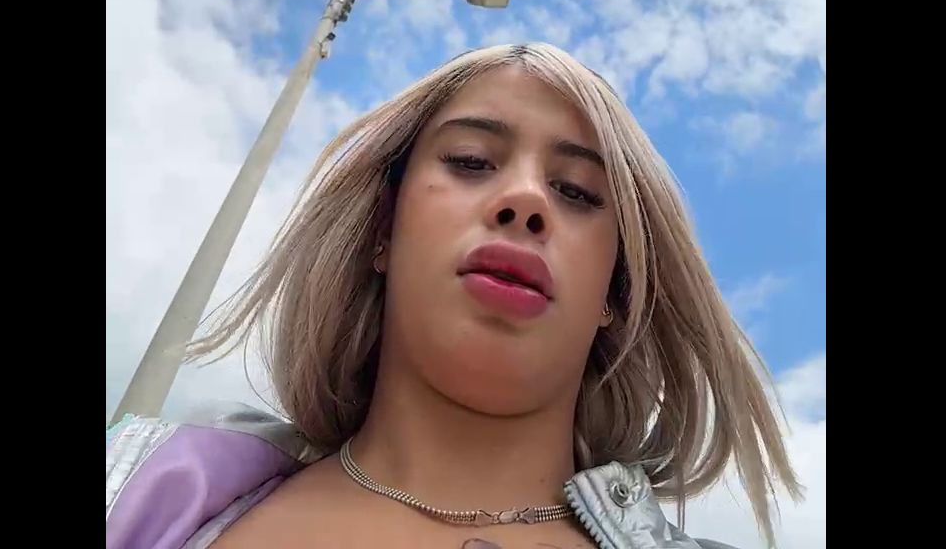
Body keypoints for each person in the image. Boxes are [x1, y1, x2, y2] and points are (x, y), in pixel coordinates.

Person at [106, 43, 801, 549]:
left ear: (614, 294)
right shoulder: (137, 487)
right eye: (471, 161)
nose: (525, 199)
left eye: (577, 192)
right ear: (384, 230)